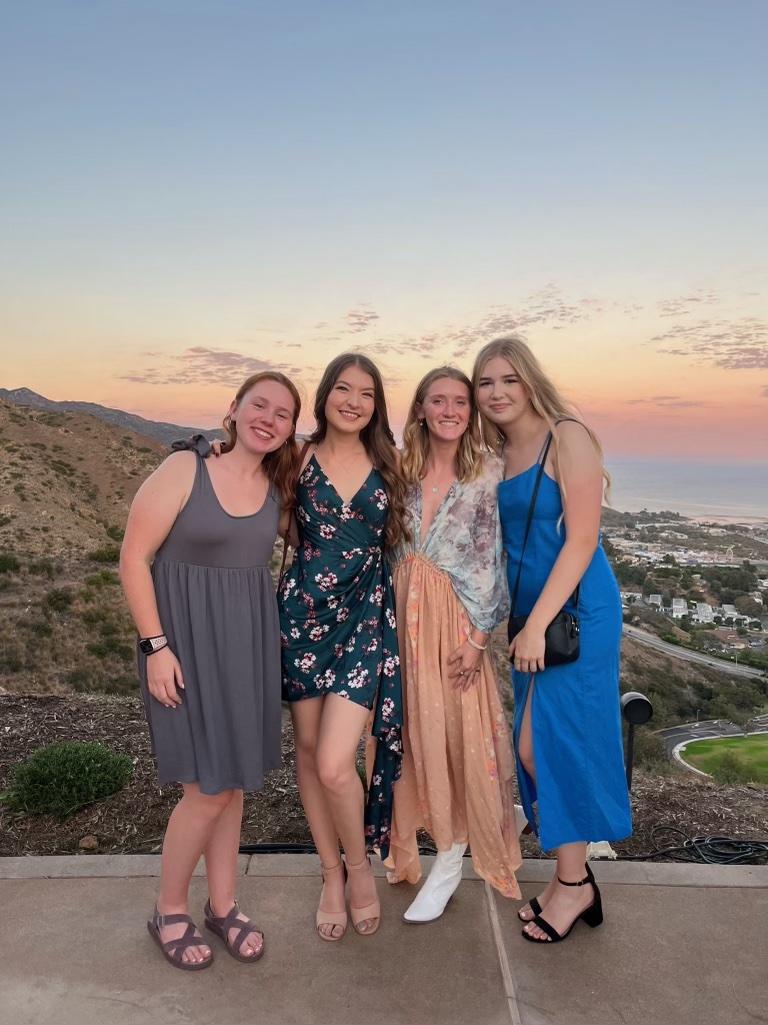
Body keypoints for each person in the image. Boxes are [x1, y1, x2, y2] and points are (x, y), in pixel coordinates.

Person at [119, 371, 301, 970]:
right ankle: (169, 910)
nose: (268, 419)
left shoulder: (280, 491)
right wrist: (155, 647)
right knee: (206, 790)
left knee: (234, 783)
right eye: (260, 405)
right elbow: (134, 558)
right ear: (235, 408)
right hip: (184, 650)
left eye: (283, 414)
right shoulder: (185, 470)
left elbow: (327, 539)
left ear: (290, 430)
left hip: (246, 652)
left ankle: (223, 906)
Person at [473, 336, 631, 945]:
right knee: (535, 745)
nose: (497, 392)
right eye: (486, 383)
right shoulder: (498, 449)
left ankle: (573, 885)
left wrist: (538, 622)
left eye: (508, 379)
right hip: (529, 620)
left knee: (551, 746)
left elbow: (583, 538)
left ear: (530, 380)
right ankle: (574, 877)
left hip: (573, 614)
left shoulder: (567, 435)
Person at [279, 352, 409, 941]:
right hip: (303, 615)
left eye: (366, 393)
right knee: (309, 752)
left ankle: (359, 869)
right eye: (342, 389)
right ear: (325, 394)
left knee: (336, 762)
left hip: (367, 617)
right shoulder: (297, 457)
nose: (353, 401)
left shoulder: (392, 462)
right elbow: (268, 512)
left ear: (377, 404)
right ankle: (330, 873)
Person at [385, 367, 522, 922]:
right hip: (399, 619)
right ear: (419, 408)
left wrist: (479, 638)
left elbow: (495, 559)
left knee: (457, 737)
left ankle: (451, 851)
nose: (449, 410)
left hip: (456, 625)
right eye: (437, 400)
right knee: (409, 739)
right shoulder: (399, 469)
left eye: (460, 402)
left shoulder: (490, 471)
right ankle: (416, 845)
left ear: (471, 411)